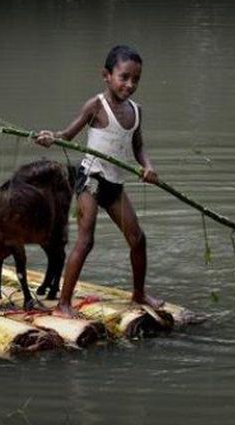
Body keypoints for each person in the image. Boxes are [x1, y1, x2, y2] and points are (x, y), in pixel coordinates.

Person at [35, 44, 163, 317]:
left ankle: (138, 294)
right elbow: (67, 135)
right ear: (106, 75)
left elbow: (138, 147)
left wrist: (148, 168)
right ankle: (63, 305)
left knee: (138, 239)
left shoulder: (136, 111)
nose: (130, 84)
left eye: (136, 79)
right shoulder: (96, 106)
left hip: (114, 185)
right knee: (86, 240)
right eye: (124, 77)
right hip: (91, 180)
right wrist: (50, 137)